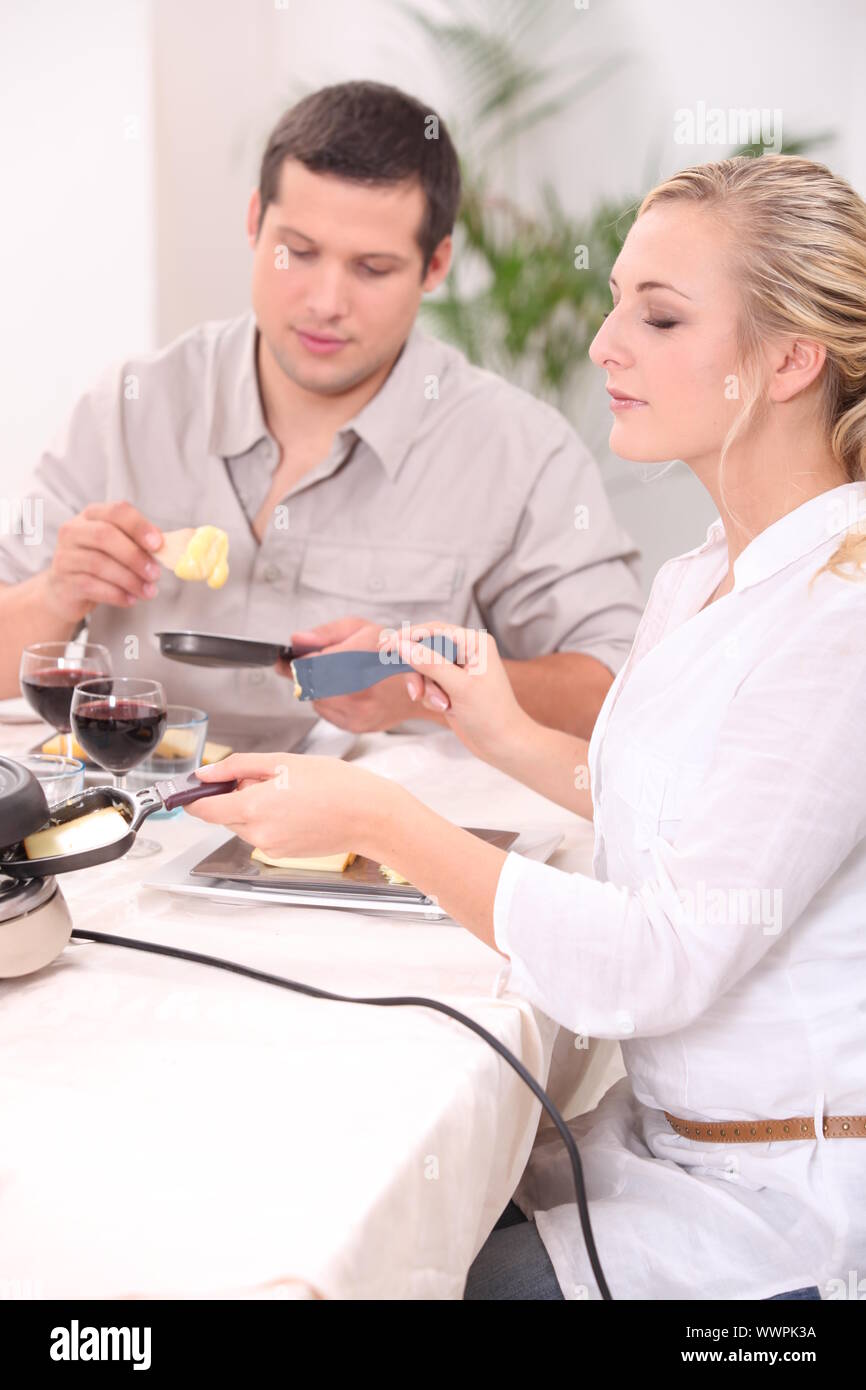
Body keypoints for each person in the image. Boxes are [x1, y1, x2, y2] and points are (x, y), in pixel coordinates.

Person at [184, 153, 866, 1300]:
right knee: (348, 1200)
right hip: (664, 1145)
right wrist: (492, 726)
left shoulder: (836, 619)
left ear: (789, 360)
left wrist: (381, 820)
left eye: (656, 317)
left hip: (780, 1211)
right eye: (615, 304)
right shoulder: (707, 574)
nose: (603, 345)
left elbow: (662, 956)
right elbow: (686, 811)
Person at [0, 80, 643, 752]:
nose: (326, 301)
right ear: (255, 222)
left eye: (372, 268)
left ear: (435, 265)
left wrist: (426, 684)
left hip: (381, 819)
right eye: (299, 253)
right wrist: (55, 594)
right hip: (130, 810)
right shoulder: (131, 407)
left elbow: (619, 693)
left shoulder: (520, 451)